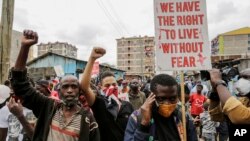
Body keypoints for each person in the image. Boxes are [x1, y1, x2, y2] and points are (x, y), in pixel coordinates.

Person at [10, 30, 100, 141]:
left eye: (74, 86)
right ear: (58, 91)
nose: (70, 90)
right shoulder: (48, 107)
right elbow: (21, 86)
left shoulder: (88, 120)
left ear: (79, 91)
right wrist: (25, 47)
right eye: (65, 86)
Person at [80, 47, 134, 141]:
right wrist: (92, 59)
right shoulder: (99, 103)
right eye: (107, 85)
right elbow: (84, 87)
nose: (112, 87)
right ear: (100, 87)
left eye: (114, 84)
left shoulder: (127, 105)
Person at [124, 74, 197, 141]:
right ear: (151, 96)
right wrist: (144, 125)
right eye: (161, 99)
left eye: (172, 98)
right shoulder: (137, 118)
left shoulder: (183, 117)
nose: (167, 103)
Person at [209, 69, 250, 139]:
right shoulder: (245, 101)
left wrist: (219, 82)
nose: (241, 81)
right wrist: (215, 89)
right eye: (241, 77)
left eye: (246, 78)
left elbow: (240, 116)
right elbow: (216, 116)